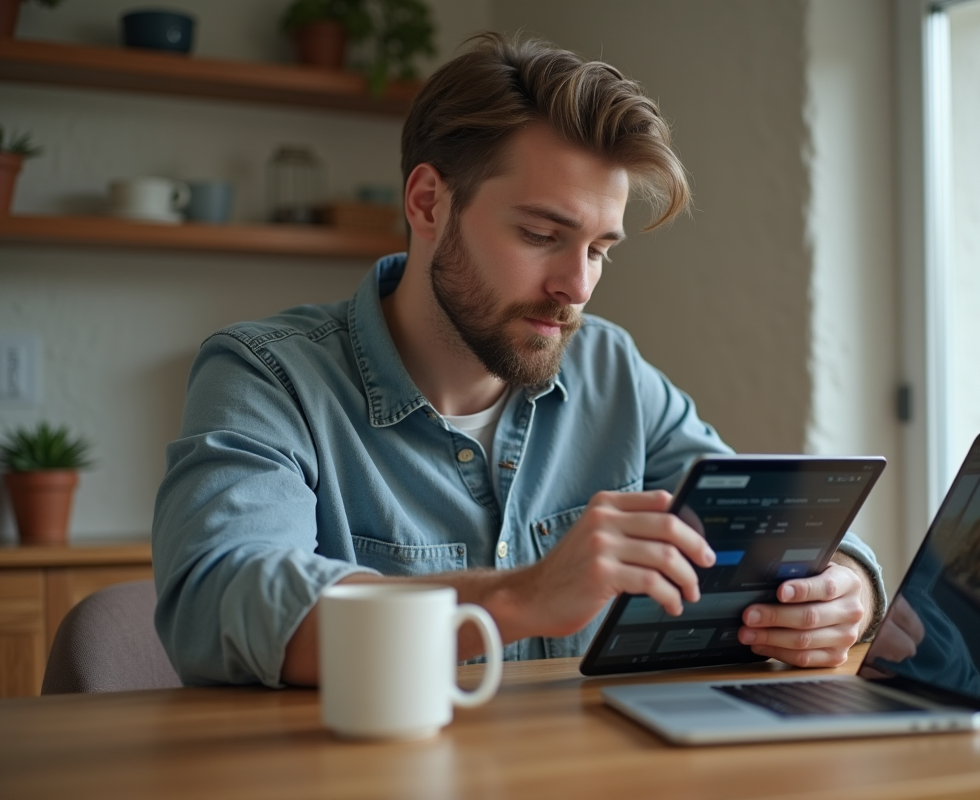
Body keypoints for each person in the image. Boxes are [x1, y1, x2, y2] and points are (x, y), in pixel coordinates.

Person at [152, 32, 887, 687]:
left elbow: (761, 518)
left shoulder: (610, 370)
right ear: (429, 202)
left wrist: (843, 588)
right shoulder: (266, 376)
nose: (578, 285)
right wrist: (519, 598)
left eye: (600, 250)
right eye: (542, 234)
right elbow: (222, 599)